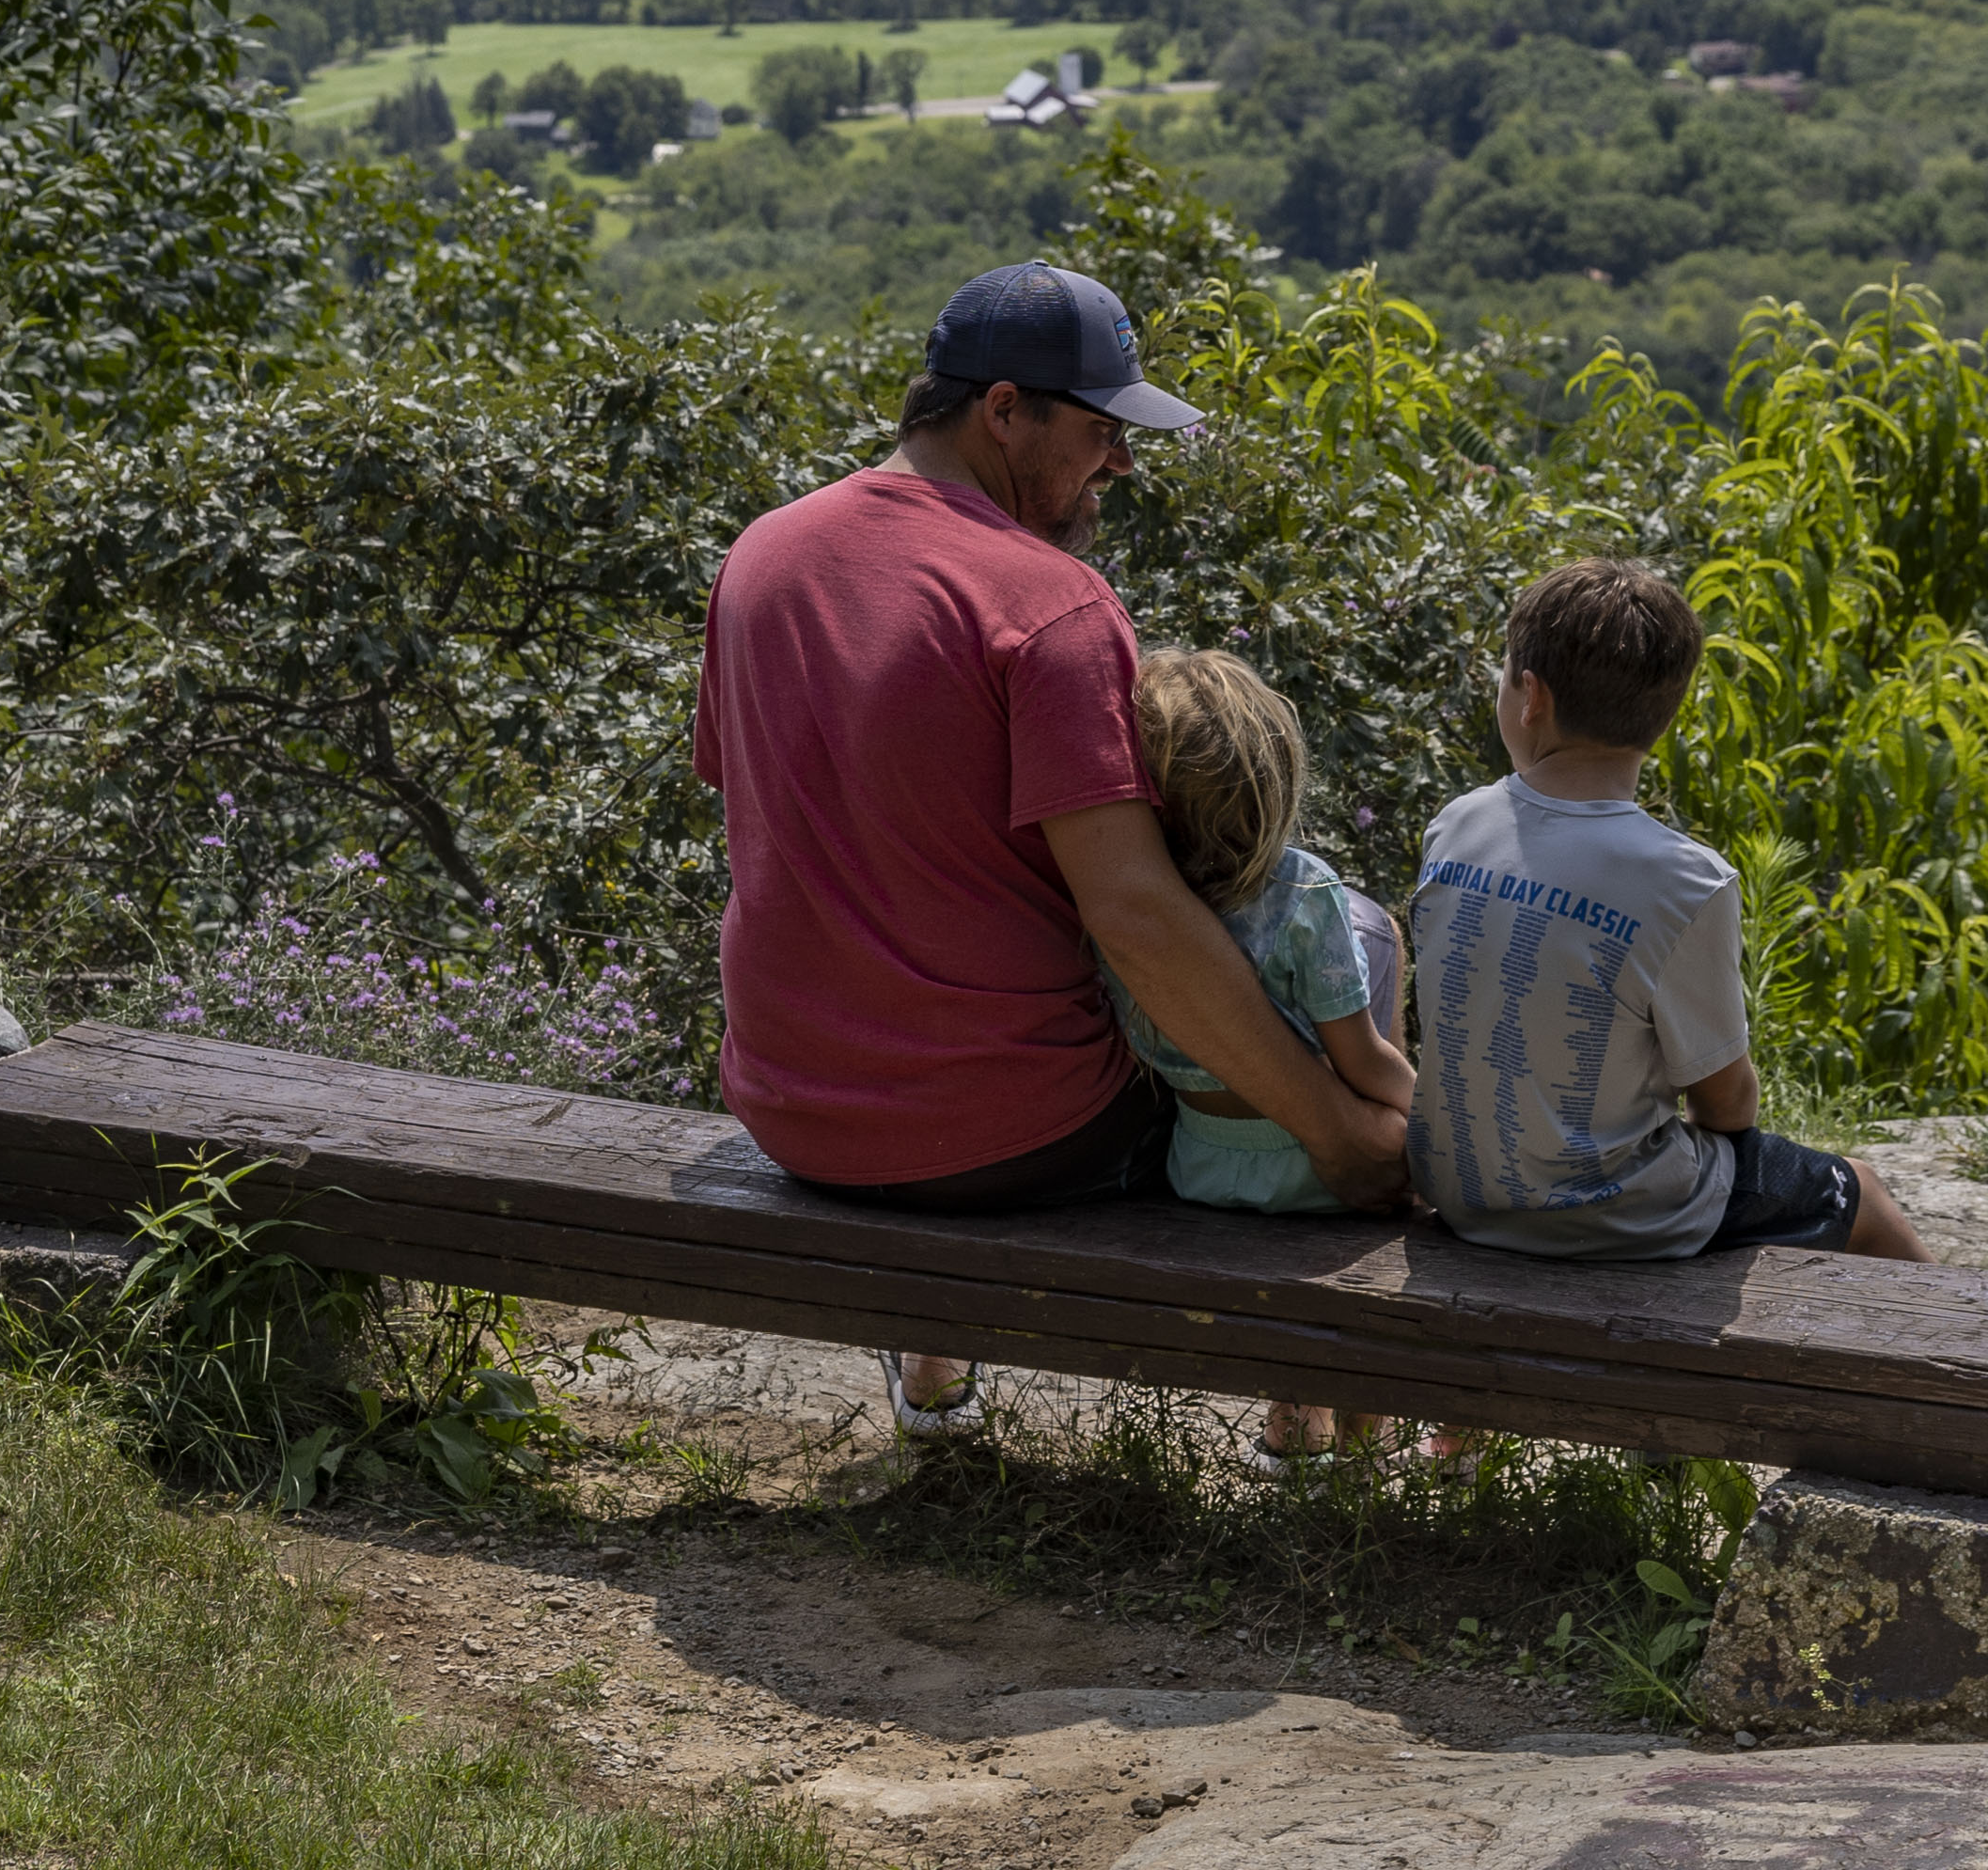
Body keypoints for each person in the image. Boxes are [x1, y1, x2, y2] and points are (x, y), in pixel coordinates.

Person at [694, 261, 1412, 1439]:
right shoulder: (1052, 602)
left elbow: (777, 814)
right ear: (1003, 409)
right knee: (1352, 926)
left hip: (794, 1115)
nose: (1121, 464)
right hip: (1016, 1140)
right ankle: (1312, 1412)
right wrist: (1339, 1136)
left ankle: (933, 1372)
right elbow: (1134, 914)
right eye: (1100, 430)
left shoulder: (760, 558)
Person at [1404, 557, 1925, 1265]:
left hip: (1459, 1190)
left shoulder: (1455, 826)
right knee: (1859, 1193)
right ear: (1667, 712)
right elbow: (1726, 1103)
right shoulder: (1685, 879)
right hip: (1613, 1215)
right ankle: (1974, 1350)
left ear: (1531, 697)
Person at [1103, 646, 1420, 1464]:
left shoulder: (1119, 898)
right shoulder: (1303, 892)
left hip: (1201, 1171)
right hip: (1310, 1181)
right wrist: (1441, 1127)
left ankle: (1300, 1421)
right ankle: (1360, 1422)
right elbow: (1365, 1064)